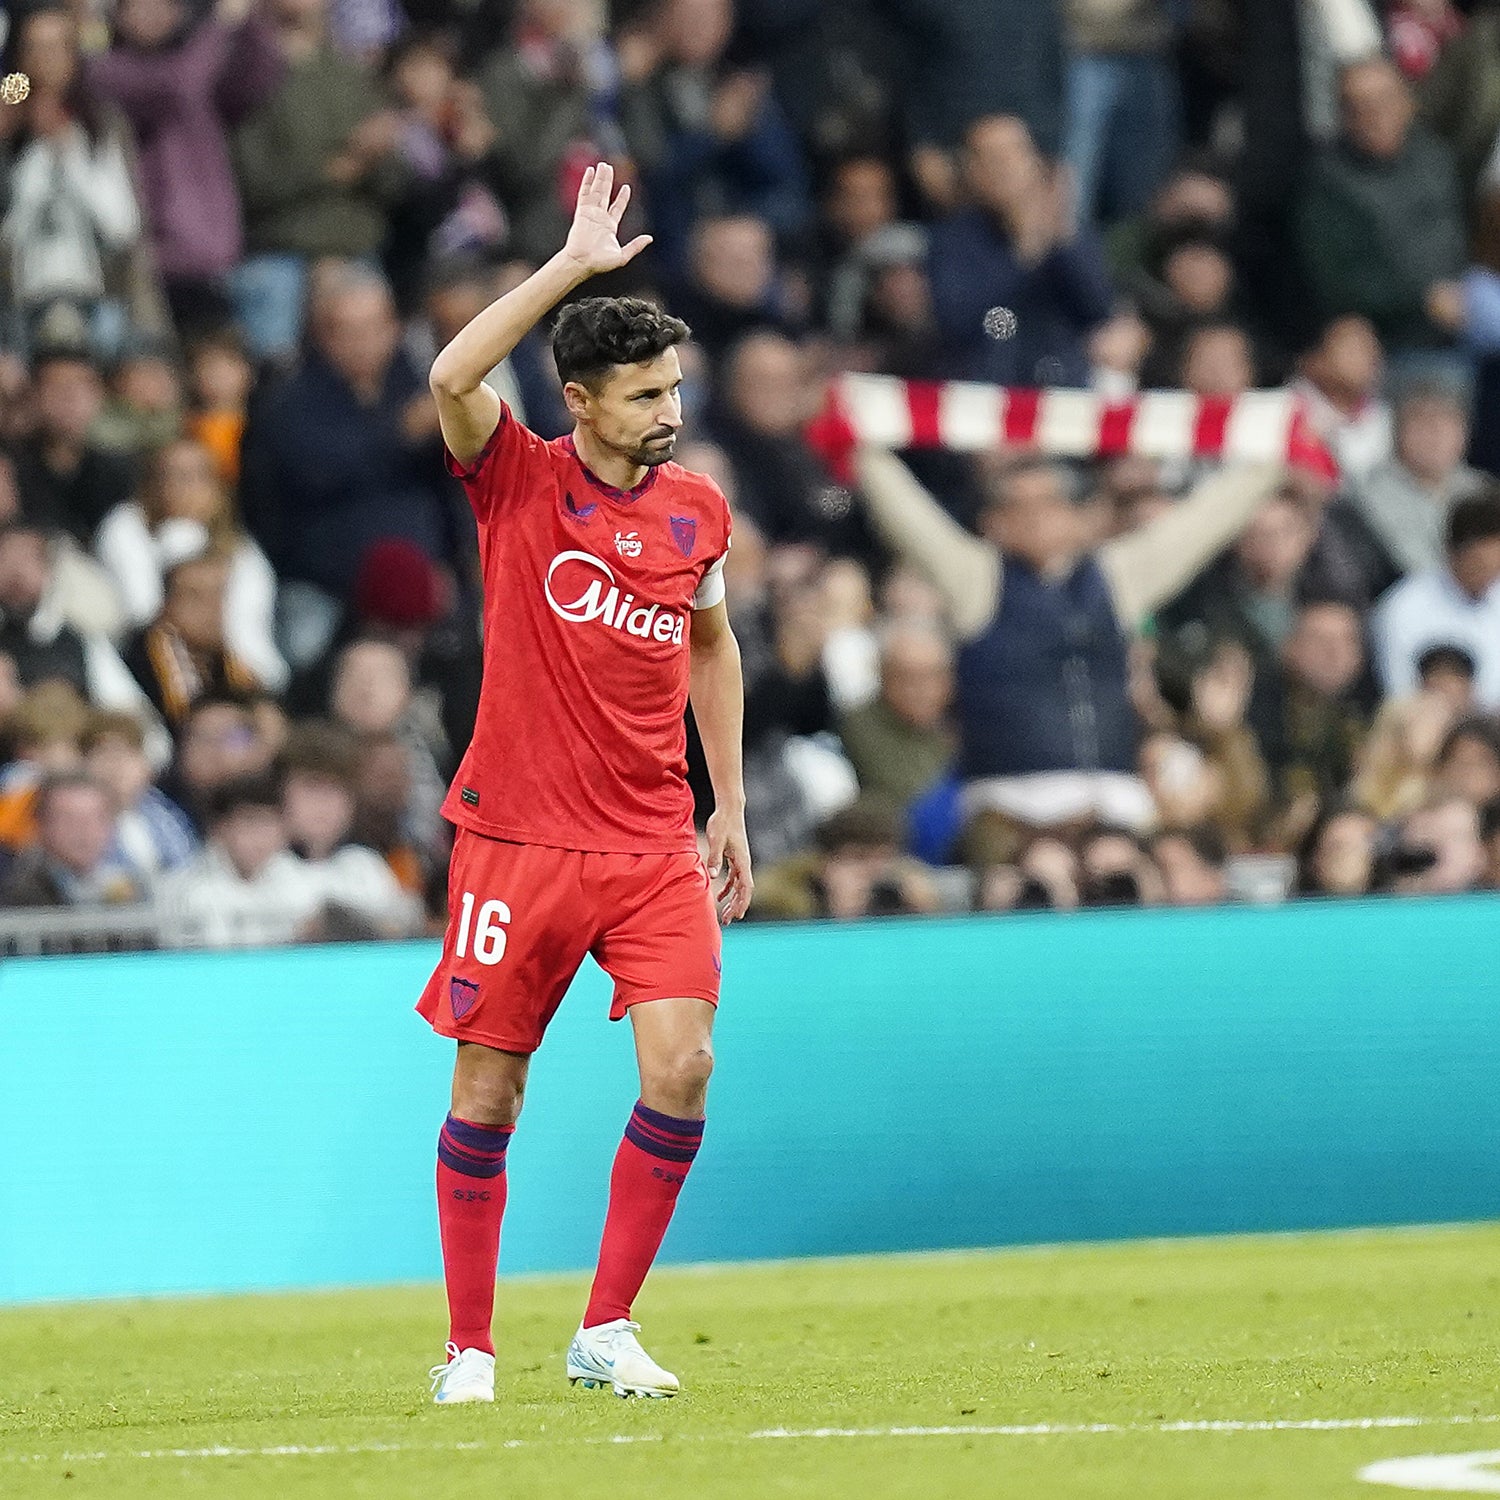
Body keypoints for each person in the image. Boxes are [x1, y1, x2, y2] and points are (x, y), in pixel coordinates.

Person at [419, 163, 750, 1405]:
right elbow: (453, 377)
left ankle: (606, 1327)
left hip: (656, 842)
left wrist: (729, 803)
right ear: (580, 402)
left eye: (676, 387)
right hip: (519, 840)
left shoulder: (699, 513)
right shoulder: (515, 478)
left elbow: (714, 647)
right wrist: (569, 268)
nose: (670, 410)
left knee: (685, 1067)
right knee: (491, 1088)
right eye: (647, 394)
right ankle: (469, 1345)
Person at [1372, 489, 1500, 707]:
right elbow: (1400, 699)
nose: (1489, 576)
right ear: (1452, 552)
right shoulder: (1403, 608)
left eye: (1496, 566)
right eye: (1480, 564)